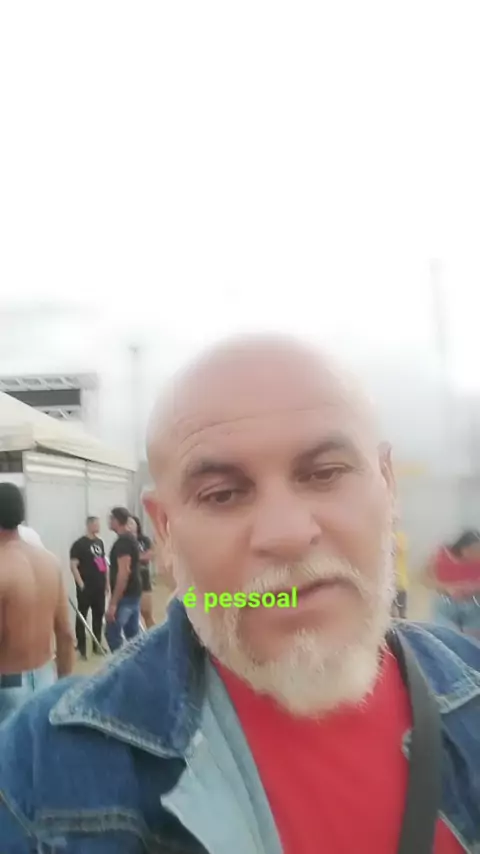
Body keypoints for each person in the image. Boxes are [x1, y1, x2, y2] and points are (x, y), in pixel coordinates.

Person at [0, 336, 479, 853]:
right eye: (223, 494)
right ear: (165, 529)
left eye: (325, 473)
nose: (286, 533)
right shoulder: (39, 768)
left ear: (387, 484)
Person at [0, 482, 74, 724]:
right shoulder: (49, 561)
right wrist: (64, 684)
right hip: (45, 677)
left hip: (7, 685)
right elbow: (65, 633)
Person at [425, 529, 480, 639]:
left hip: (473, 604)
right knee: (446, 637)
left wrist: (473, 588)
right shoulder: (442, 556)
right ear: (463, 547)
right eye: (473, 549)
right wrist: (447, 588)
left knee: (473, 639)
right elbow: (427, 579)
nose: (476, 554)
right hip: (446, 602)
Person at [70, 517, 109, 659]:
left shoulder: (99, 543)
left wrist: (106, 582)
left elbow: (101, 563)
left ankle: (96, 644)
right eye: (96, 524)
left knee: (98, 615)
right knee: (82, 616)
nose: (98, 526)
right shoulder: (79, 544)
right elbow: (73, 565)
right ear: (89, 525)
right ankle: (81, 648)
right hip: (86, 587)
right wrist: (81, 584)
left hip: (99, 586)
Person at [104, 506, 142, 652]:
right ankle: (136, 661)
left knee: (112, 633)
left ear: (117, 520)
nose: (109, 521)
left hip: (125, 596)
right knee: (133, 636)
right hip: (133, 593)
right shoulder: (130, 539)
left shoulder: (123, 542)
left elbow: (123, 572)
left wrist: (113, 603)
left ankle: (122, 662)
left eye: (111, 518)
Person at [128, 514, 155, 628]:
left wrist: (134, 557)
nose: (129, 526)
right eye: (128, 523)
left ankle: (153, 634)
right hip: (130, 580)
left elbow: (149, 555)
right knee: (131, 616)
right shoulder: (124, 541)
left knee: (147, 613)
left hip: (143, 577)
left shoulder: (144, 540)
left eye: (132, 523)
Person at [392, 528, 408, 618]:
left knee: (402, 614)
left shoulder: (400, 537)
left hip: (400, 584)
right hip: (386, 586)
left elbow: (399, 549)